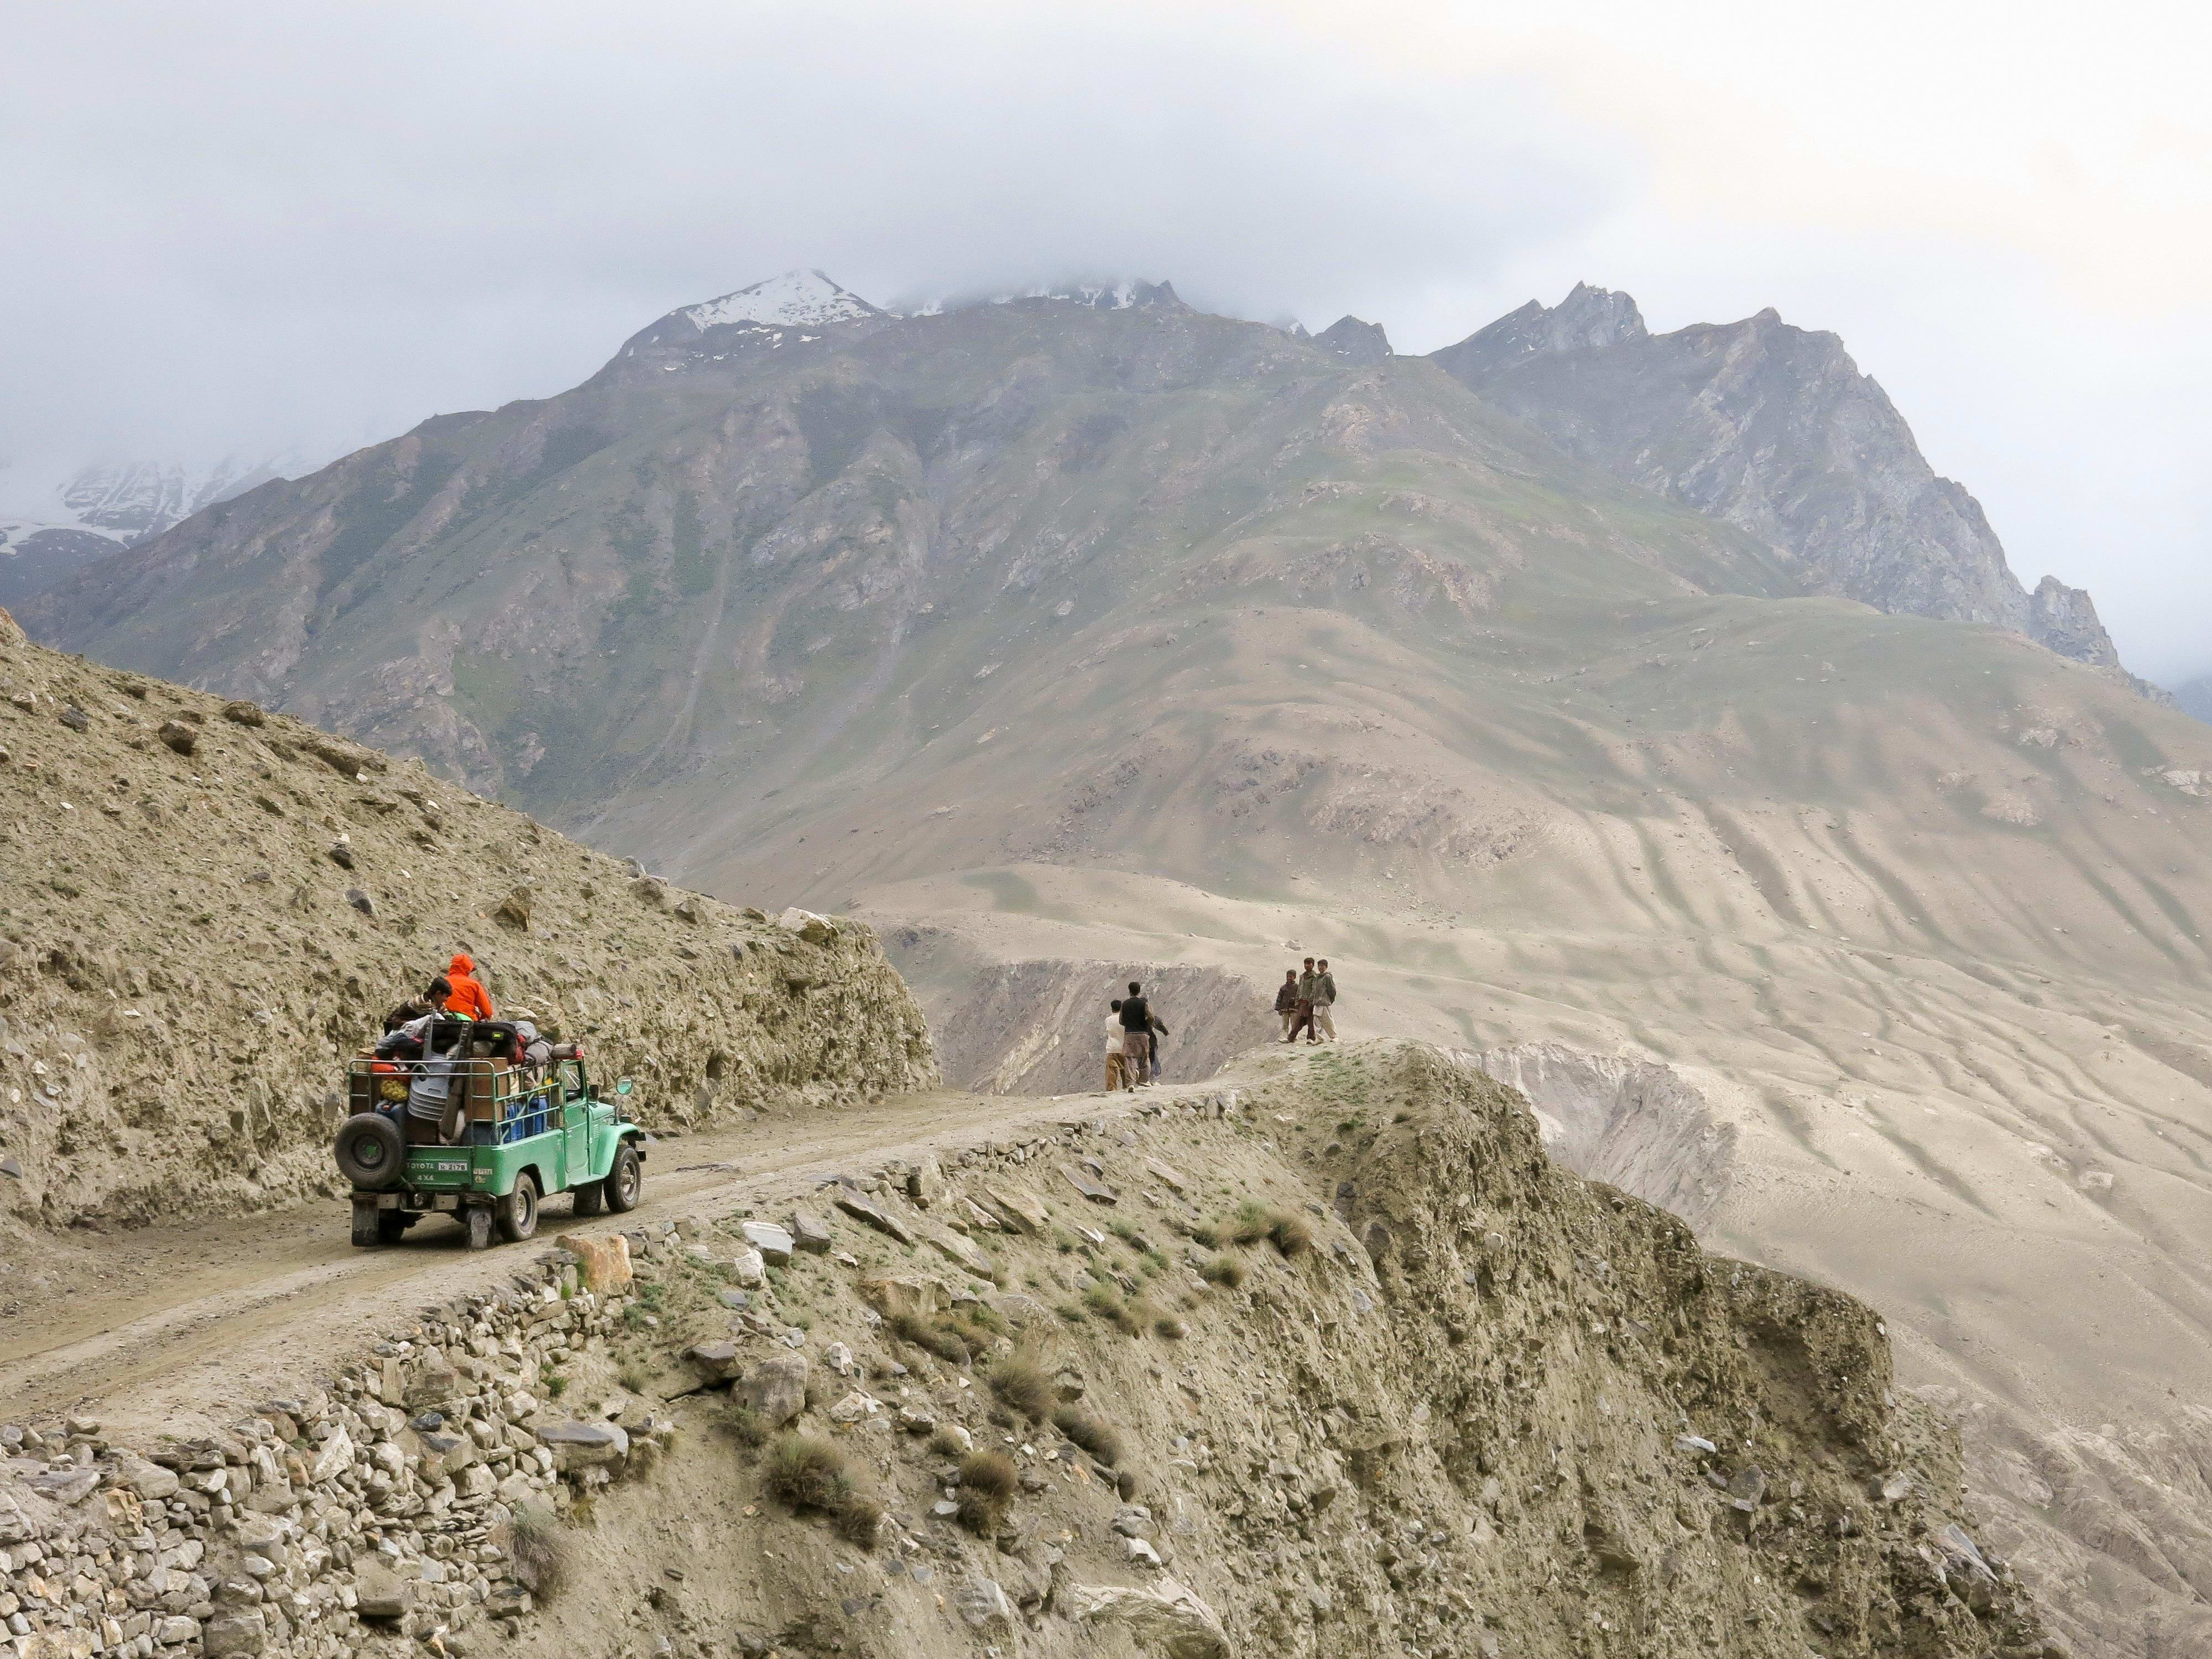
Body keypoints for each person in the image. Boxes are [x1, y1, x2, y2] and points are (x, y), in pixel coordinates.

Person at [439, 953, 495, 1022]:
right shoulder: (474, 984)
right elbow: (487, 1012)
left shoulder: (442, 981)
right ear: (468, 969)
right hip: (467, 1021)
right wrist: (480, 1020)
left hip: (442, 1019)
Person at [1118, 982, 1153, 1084]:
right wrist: (1146, 1024)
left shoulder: (1125, 1004)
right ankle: (1144, 1080)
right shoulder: (1144, 1004)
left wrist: (1129, 1024)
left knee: (1129, 1058)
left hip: (1130, 1034)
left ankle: (1131, 1083)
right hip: (1143, 1033)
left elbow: (1121, 1021)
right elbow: (1151, 1017)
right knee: (1144, 1056)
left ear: (1129, 991)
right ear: (1139, 991)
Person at [1288, 957, 1318, 1044]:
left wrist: (1311, 1002)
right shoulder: (1302, 977)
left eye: (1309, 964)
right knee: (1298, 1021)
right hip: (1302, 1002)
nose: (1307, 966)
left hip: (1309, 1003)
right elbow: (1299, 989)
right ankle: (1291, 1038)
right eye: (1306, 964)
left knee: (1310, 1021)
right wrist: (1297, 1000)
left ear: (1313, 965)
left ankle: (1311, 1038)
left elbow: (1314, 990)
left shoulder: (1314, 977)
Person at [1103, 998, 1130, 1092]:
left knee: (1112, 1070)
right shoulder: (1126, 1020)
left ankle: (1112, 1089)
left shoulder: (1108, 1020)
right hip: (1124, 1048)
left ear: (1112, 1009)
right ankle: (1127, 1087)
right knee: (1126, 1070)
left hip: (1112, 1048)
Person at [1312, 958, 1338, 1042]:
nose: (1320, 967)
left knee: (1327, 1020)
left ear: (1326, 967)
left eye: (1322, 966)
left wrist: (1330, 1000)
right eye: (1319, 966)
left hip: (1324, 1002)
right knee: (1317, 1020)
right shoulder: (1317, 978)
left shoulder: (1327, 977)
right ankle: (1320, 1038)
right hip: (1317, 1003)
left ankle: (1334, 1036)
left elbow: (1332, 990)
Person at [1274, 970, 1300, 1040]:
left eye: (1291, 977)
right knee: (1285, 1025)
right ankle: (1284, 1037)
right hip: (1284, 1009)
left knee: (1294, 1024)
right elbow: (1279, 999)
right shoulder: (1283, 988)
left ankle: (1294, 1036)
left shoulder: (1298, 987)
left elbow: (1300, 998)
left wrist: (1297, 1003)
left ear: (1294, 977)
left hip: (1294, 1009)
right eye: (1288, 977)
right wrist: (1278, 1008)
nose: (1289, 978)